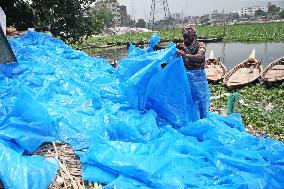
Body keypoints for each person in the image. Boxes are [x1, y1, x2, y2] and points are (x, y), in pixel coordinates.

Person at [176, 23, 210, 119]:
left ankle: (203, 119)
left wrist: (185, 55)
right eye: (184, 33)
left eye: (189, 33)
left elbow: (200, 57)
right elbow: (169, 56)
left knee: (200, 99)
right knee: (186, 98)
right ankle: (189, 118)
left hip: (198, 78)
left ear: (194, 34)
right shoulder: (180, 46)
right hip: (185, 77)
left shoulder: (200, 45)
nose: (186, 35)